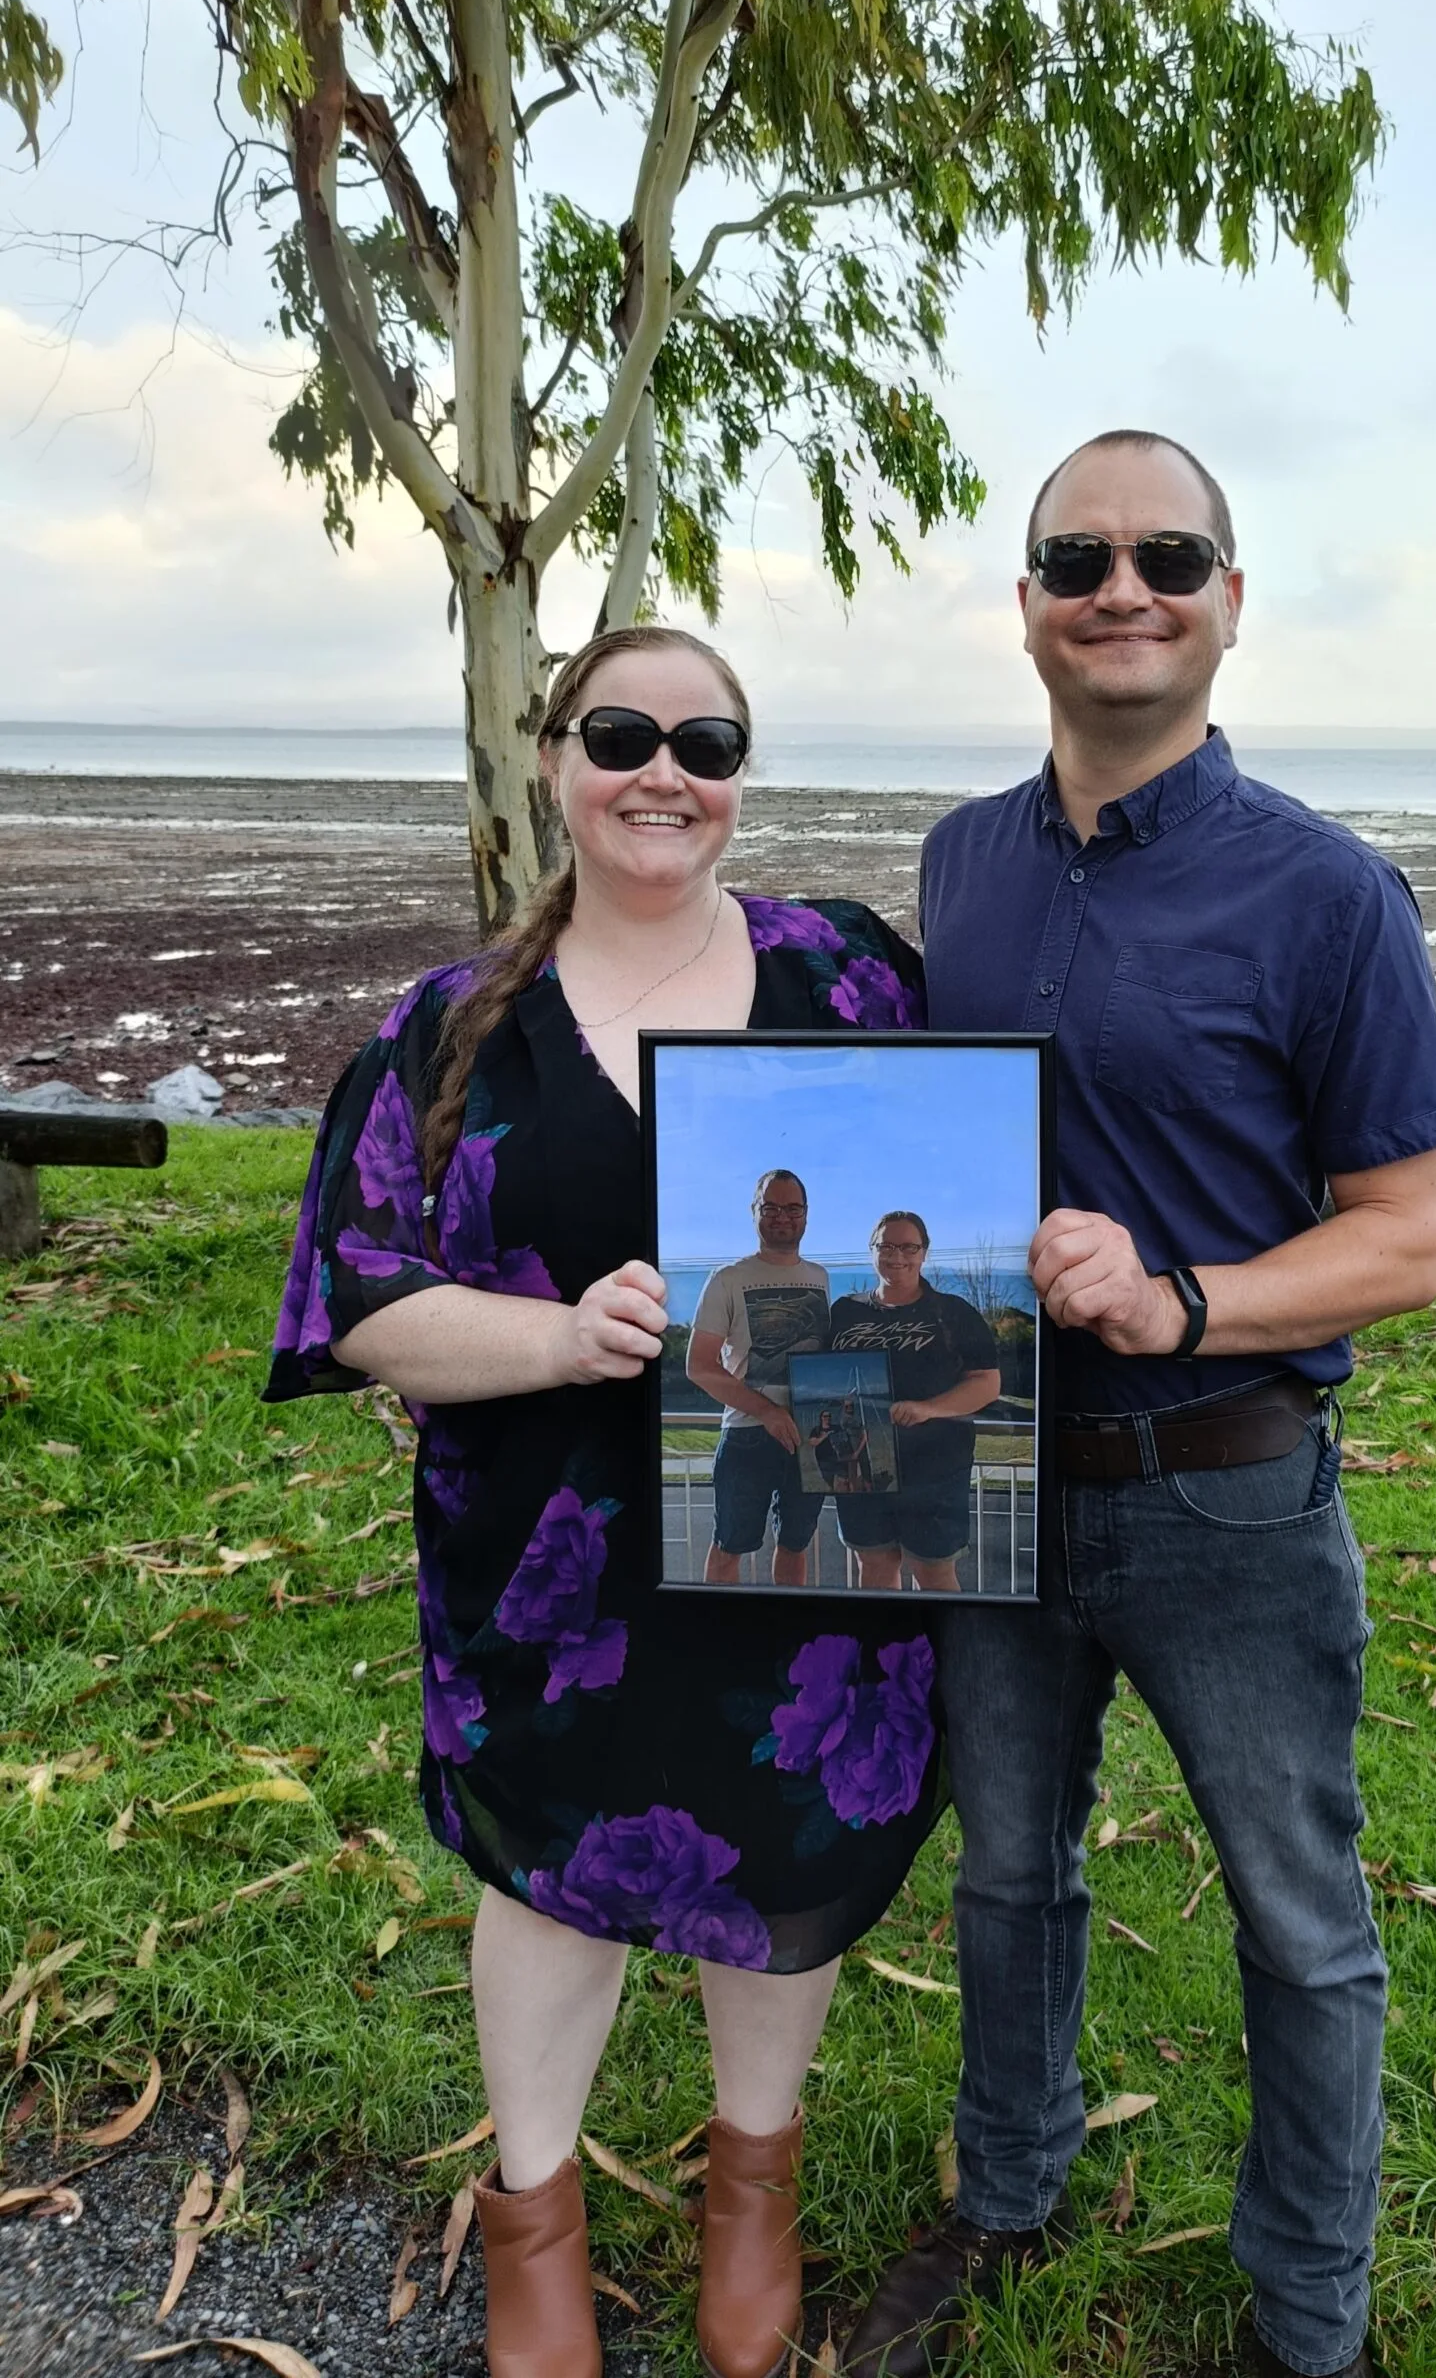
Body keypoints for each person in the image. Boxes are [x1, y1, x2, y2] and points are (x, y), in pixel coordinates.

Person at [842, 432, 1436, 2378]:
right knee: (1010, 1870)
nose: (1126, 582)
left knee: (1301, 1919)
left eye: (1169, 551)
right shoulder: (958, 861)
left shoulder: (1333, 897)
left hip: (1232, 1491)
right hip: (993, 1468)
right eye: (1080, 555)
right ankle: (1007, 2191)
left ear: (1229, 599)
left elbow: (1407, 1239)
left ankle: (1312, 2320)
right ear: (1026, 604)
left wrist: (1182, 1296)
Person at [266, 624, 940, 2378]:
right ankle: (536, 2231)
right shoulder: (452, 1030)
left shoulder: (852, 975)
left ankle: (751, 2194)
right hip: (549, 1570)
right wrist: (564, 1337)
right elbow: (360, 1305)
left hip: (815, 1540)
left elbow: (960, 1208)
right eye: (625, 732)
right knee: (555, 1886)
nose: (667, 771)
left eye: (705, 741)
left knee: (782, 1865)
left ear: (739, 775)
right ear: (555, 757)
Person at [828, 1213, 1003, 1594]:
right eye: (886, 1246)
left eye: (909, 1247)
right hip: (862, 1466)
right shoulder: (844, 1312)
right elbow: (825, 1380)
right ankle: (882, 1652)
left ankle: (941, 1653)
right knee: (873, 1566)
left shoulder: (953, 1313)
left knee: (934, 1574)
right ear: (872, 1251)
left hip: (935, 1470)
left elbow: (987, 1384)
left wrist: (928, 1408)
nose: (897, 1256)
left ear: (924, 1253)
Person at [687, 1170, 830, 1586]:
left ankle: (788, 1635)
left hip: (809, 1438)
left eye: (792, 1208)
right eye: (770, 1206)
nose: (782, 1216)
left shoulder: (820, 1278)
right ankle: (722, 1636)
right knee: (730, 1546)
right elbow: (699, 1365)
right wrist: (767, 1412)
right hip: (747, 1435)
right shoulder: (726, 1279)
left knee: (796, 1545)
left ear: (806, 1215)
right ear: (755, 1212)